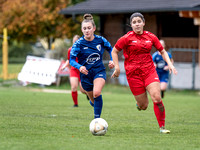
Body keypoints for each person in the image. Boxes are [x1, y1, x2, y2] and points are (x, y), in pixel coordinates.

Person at [111, 12, 177, 133]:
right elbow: (114, 51)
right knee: (144, 106)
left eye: (139, 21)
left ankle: (162, 127)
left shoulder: (151, 37)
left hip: (149, 71)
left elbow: (162, 51)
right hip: (133, 75)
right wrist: (117, 68)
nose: (137, 24)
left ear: (143, 23)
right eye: (134, 22)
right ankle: (139, 104)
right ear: (131, 24)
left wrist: (170, 64)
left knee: (157, 97)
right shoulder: (126, 38)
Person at [70, 14, 114, 118]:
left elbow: (111, 49)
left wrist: (113, 60)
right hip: (85, 75)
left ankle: (97, 120)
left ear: (94, 28)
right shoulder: (78, 44)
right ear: (82, 30)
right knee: (94, 101)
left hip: (99, 71)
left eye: (89, 28)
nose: (87, 30)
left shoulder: (100, 40)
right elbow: (71, 60)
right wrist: (79, 67)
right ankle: (94, 103)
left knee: (97, 93)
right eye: (84, 28)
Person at [61, 35, 88, 107]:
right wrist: (64, 66)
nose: (75, 42)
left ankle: (89, 94)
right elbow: (69, 59)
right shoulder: (70, 49)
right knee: (73, 87)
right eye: (74, 41)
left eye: (76, 41)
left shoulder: (84, 49)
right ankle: (75, 104)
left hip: (82, 71)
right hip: (74, 70)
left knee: (83, 90)